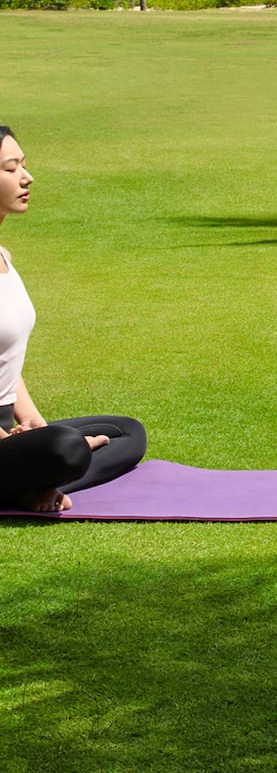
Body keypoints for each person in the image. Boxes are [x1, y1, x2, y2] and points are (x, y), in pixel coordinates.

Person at [0, 125, 147, 513]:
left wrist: (36, 425)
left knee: (127, 434)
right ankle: (40, 477)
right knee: (66, 449)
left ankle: (34, 481)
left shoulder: (4, 257)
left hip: (9, 432)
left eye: (24, 166)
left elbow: (8, 362)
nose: (26, 178)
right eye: (10, 168)